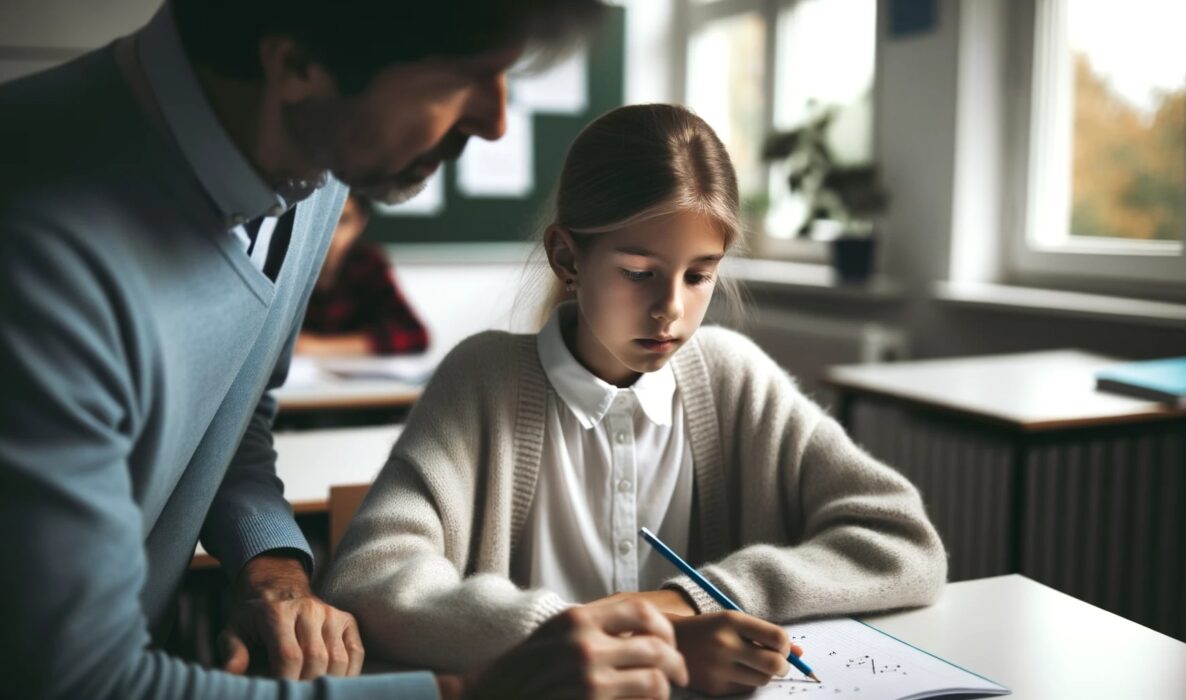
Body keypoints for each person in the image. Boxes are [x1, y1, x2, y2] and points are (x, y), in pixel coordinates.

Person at [0, 1, 692, 698]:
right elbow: (78, 681)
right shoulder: (37, 235)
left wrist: (273, 571)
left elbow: (236, 424)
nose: (496, 120)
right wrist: (479, 692)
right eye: (464, 78)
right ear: (298, 63)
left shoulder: (314, 159)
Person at [324, 104, 949, 697]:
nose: (671, 308)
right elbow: (371, 578)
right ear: (568, 257)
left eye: (699, 275)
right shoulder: (483, 379)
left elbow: (903, 541)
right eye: (638, 271)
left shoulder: (735, 377)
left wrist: (686, 603)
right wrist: (607, 640)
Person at [297, 193, 430, 357]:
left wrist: (317, 347)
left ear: (360, 223)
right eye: (320, 221)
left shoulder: (366, 264)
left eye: (343, 221)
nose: (330, 235)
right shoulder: (285, 264)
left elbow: (415, 336)